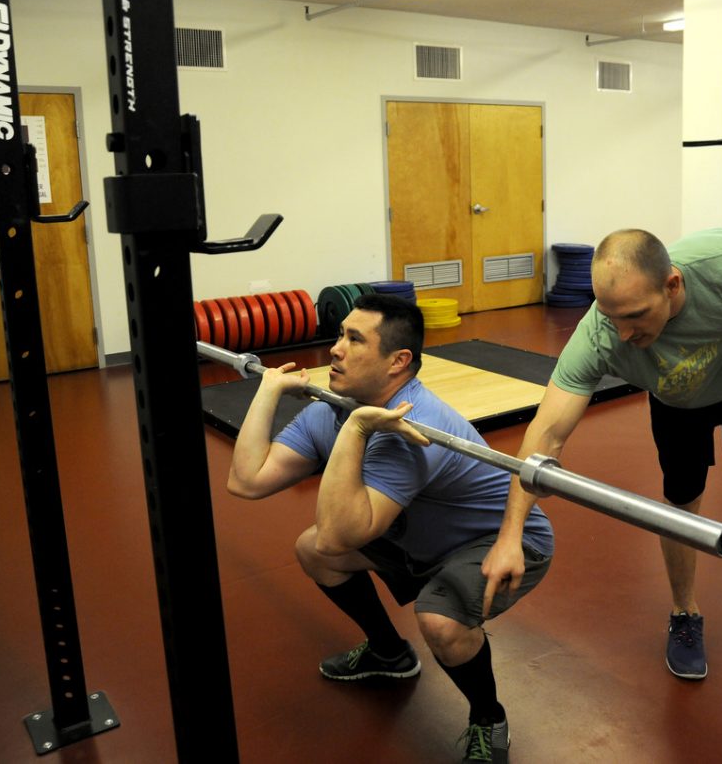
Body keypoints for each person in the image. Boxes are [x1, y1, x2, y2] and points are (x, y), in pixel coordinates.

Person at [480, 227, 722, 681]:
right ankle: (684, 613)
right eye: (611, 316)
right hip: (677, 401)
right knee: (681, 503)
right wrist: (510, 534)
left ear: (672, 285)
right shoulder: (600, 334)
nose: (622, 333)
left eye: (636, 315)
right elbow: (545, 434)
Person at [228, 292, 553, 763]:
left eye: (354, 339)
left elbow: (343, 532)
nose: (335, 348)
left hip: (501, 540)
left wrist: (358, 429)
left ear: (398, 361)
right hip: (422, 535)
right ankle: (388, 654)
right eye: (340, 334)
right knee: (314, 550)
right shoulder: (334, 407)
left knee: (440, 620)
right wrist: (267, 391)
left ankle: (488, 716)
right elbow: (247, 481)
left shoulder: (409, 427)